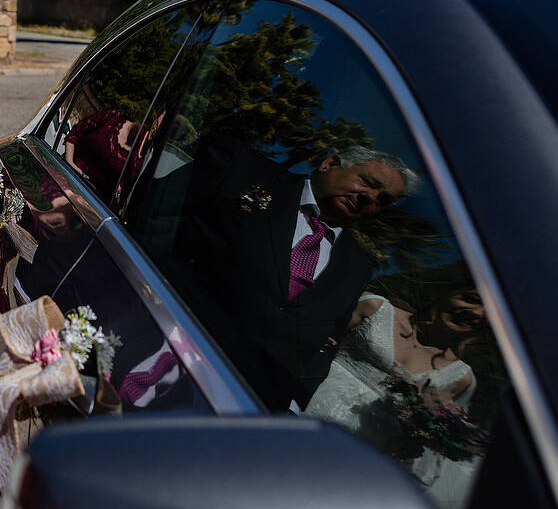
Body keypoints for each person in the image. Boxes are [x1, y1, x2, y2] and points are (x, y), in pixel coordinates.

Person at [168, 135, 418, 409]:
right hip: (166, 341)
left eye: (381, 200)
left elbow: (324, 345)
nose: (369, 197)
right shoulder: (244, 171)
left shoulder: (356, 267)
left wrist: (296, 402)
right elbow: (156, 216)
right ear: (329, 164)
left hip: (246, 404)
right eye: (368, 182)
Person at [306, 275, 494, 509]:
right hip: (306, 421)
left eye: (487, 316)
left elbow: (431, 445)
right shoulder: (375, 308)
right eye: (470, 299)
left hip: (358, 465)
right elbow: (309, 348)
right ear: (447, 291)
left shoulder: (463, 378)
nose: (474, 314)